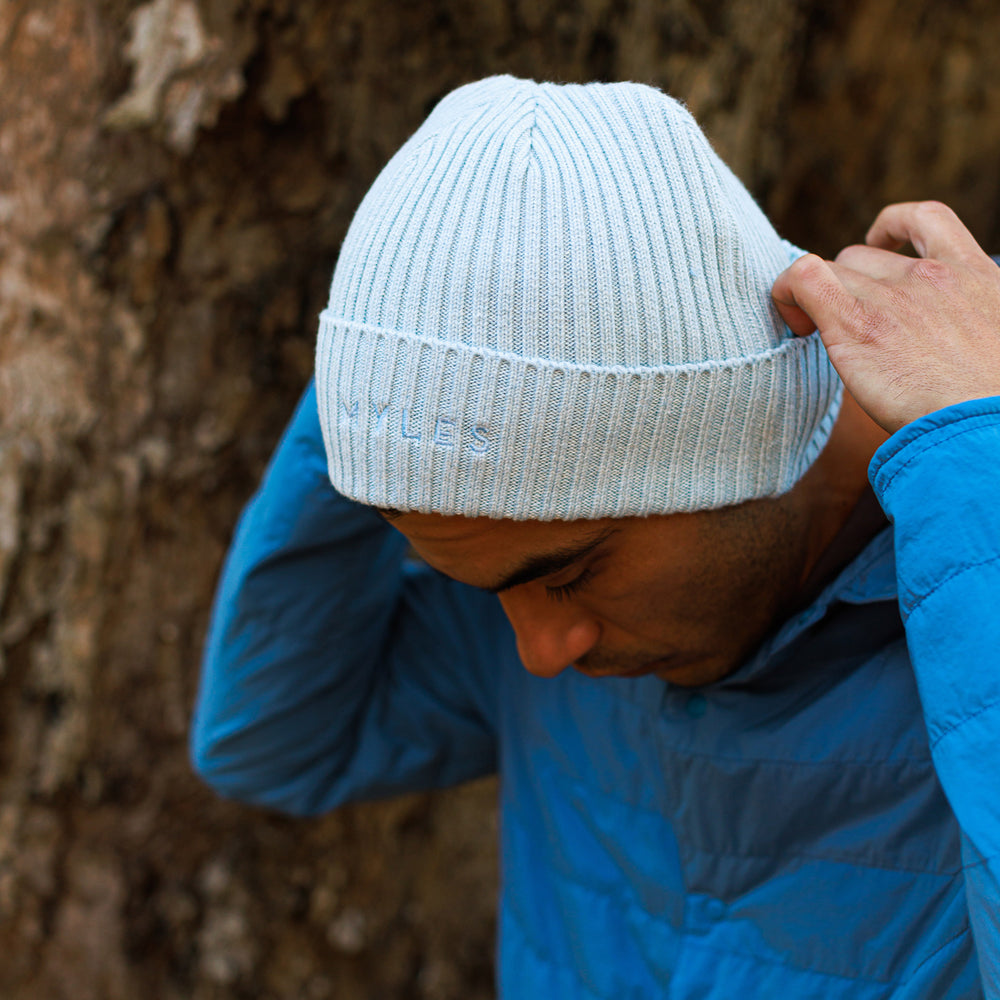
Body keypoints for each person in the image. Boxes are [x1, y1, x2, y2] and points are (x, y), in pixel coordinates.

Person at [191, 76, 1000, 997]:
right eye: (490, 587)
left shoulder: (973, 544)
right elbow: (271, 739)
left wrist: (979, 464)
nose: (540, 650)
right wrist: (396, 367)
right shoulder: (535, 574)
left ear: (739, 437)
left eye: (573, 574)